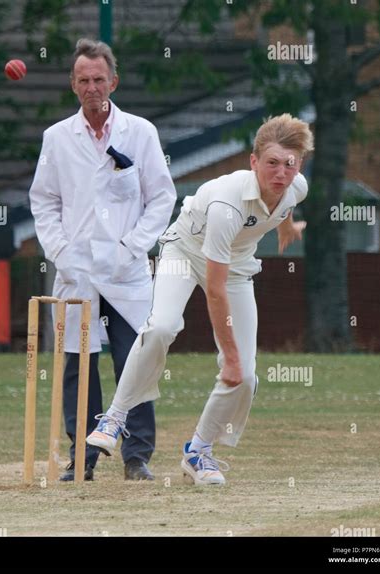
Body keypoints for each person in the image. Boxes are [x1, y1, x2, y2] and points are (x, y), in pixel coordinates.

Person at [87, 113, 314, 485]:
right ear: (253, 162)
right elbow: (214, 291)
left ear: (298, 164)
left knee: (245, 378)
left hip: (236, 266)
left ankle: (199, 452)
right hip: (184, 251)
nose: (280, 173)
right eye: (271, 163)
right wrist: (230, 356)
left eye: (289, 164)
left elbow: (288, 200)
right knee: (162, 327)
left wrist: (288, 224)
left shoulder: (296, 185)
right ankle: (115, 416)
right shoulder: (228, 205)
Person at [30, 38, 176, 481]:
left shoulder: (141, 131)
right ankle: (83, 458)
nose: (92, 87)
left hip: (127, 270)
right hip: (76, 269)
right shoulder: (57, 138)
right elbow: (44, 201)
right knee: (78, 362)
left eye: (99, 79)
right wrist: (59, 251)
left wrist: (133, 246)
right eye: (83, 80)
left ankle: (137, 457)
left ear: (114, 81)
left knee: (137, 360)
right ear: (73, 85)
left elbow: (162, 197)